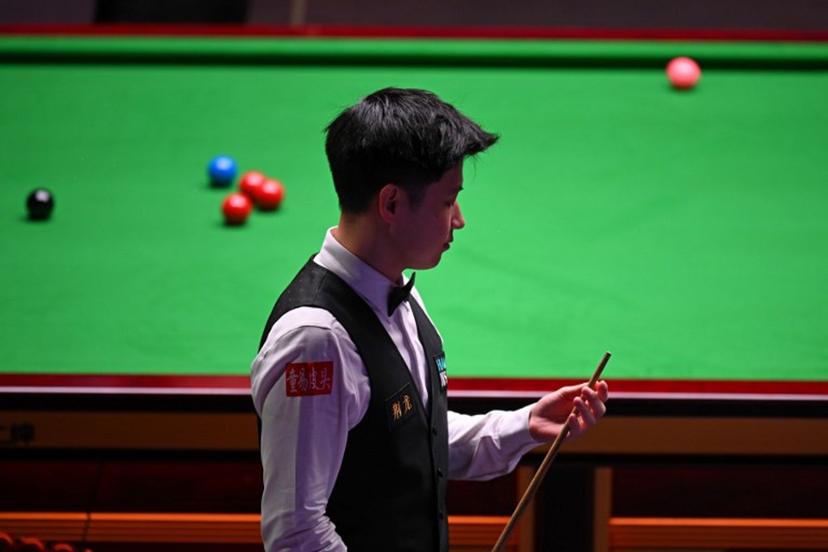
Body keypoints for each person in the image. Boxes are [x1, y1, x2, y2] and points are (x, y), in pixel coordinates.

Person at [250, 87, 609, 552]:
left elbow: (414, 443)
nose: (459, 220)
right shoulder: (316, 340)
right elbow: (295, 533)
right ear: (392, 204)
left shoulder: (396, 291)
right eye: (448, 200)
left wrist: (527, 424)